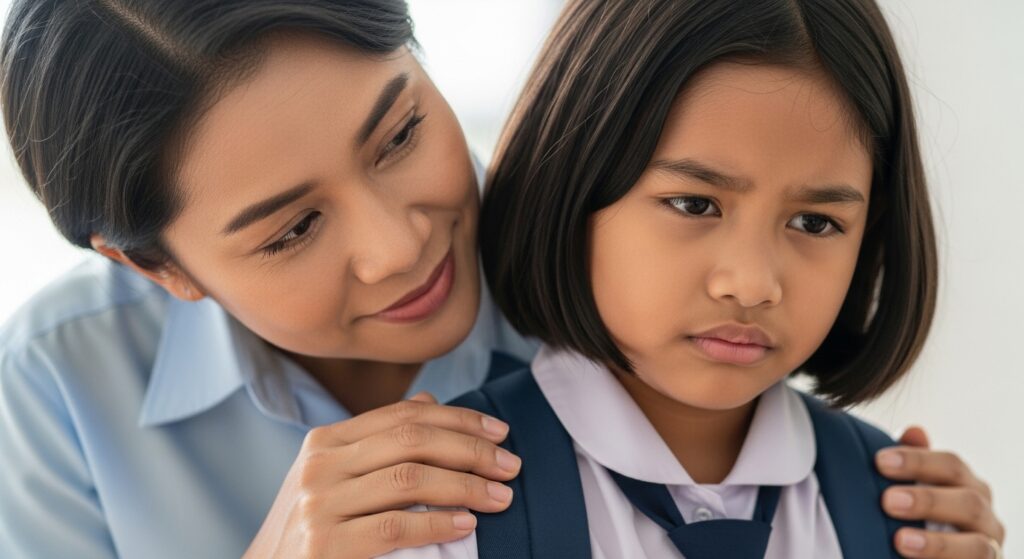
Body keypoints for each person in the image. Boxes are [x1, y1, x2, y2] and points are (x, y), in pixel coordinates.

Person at [0, 0, 1003, 558]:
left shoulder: (619, 269)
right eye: (294, 226)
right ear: (158, 266)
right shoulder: (55, 388)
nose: (399, 245)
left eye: (399, 134)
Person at [383, 0, 1006, 558]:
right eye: (694, 204)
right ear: (573, 190)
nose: (753, 284)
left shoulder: (910, 525)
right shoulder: (439, 518)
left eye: (815, 222)